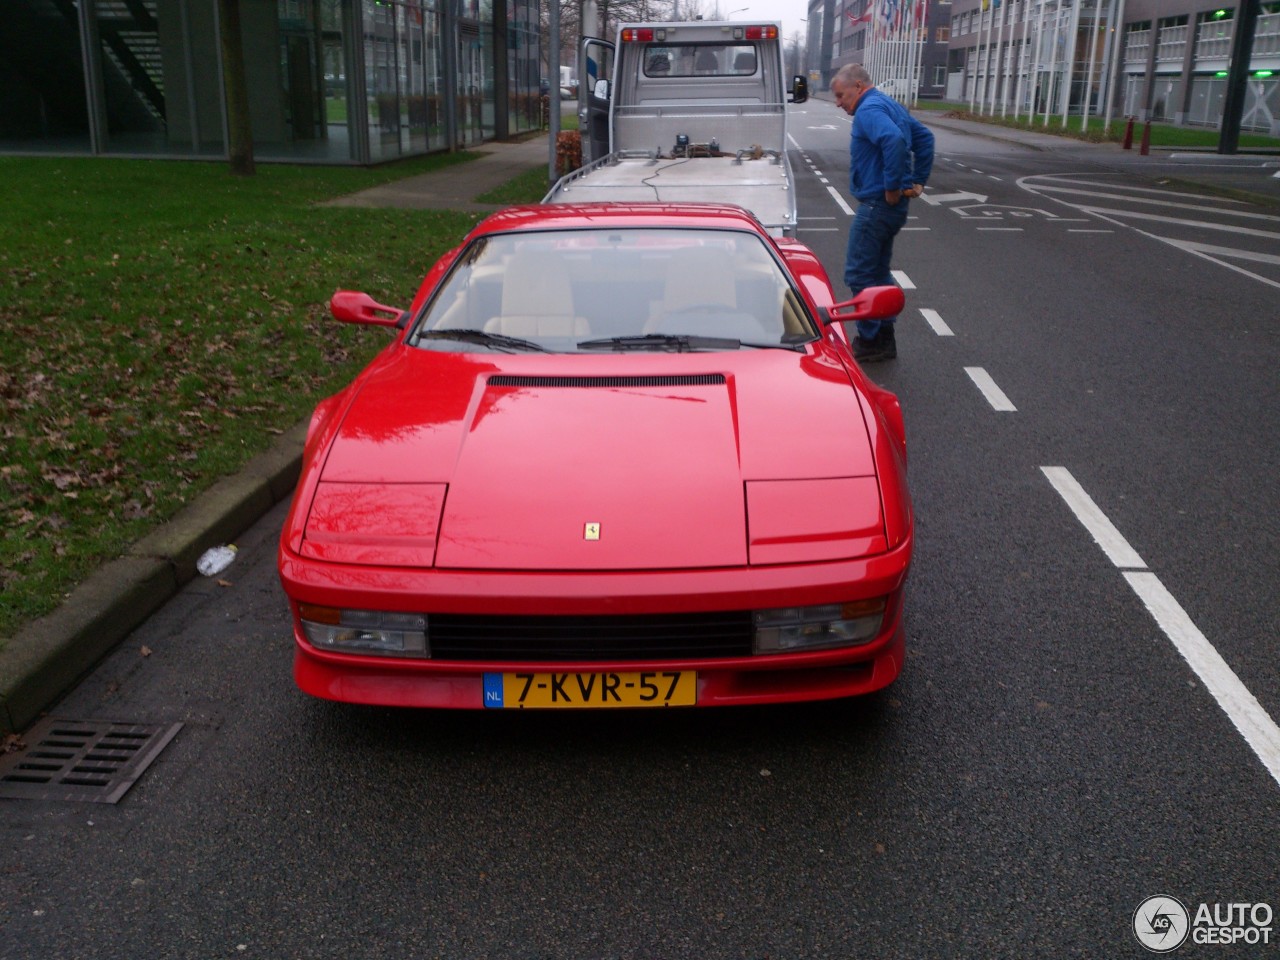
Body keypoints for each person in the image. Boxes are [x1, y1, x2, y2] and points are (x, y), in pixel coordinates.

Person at [829, 63, 934, 362]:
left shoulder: (868, 109)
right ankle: (884, 338)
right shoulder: (889, 104)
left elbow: (893, 140)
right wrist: (917, 180)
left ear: (859, 87)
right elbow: (924, 138)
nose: (838, 103)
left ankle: (872, 339)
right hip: (891, 207)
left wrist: (892, 185)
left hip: (877, 204)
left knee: (859, 272)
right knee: (877, 271)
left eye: (841, 95)